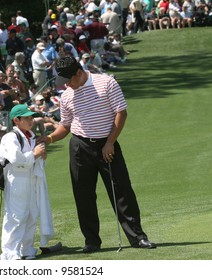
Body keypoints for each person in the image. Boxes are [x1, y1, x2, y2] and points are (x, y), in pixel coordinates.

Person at [43, 57, 156, 252]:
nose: (67, 85)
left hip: (107, 143)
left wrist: (110, 142)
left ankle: (137, 237)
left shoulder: (106, 82)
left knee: (122, 191)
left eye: (69, 80)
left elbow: (121, 112)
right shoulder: (67, 95)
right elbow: (66, 125)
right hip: (80, 147)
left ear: (79, 72)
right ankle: (92, 241)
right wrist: (49, 139)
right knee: (83, 194)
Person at [0, 104, 49, 260]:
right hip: (16, 180)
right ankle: (10, 252)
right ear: (16, 120)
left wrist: (41, 156)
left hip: (31, 179)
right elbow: (16, 159)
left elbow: (34, 158)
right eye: (26, 118)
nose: (30, 120)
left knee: (32, 214)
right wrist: (34, 155)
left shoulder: (31, 136)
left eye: (31, 117)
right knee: (16, 216)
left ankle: (27, 249)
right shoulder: (10, 137)